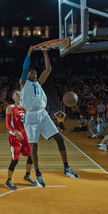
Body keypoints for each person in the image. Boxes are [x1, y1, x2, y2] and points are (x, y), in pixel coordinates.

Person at [19, 46, 79, 188]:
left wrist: (45, 52)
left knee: (60, 138)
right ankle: (38, 174)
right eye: (31, 72)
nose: (33, 74)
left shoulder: (39, 83)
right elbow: (25, 67)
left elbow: (48, 69)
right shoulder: (23, 83)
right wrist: (29, 52)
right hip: (31, 117)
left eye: (34, 72)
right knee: (34, 146)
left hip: (43, 114)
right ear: (27, 75)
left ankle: (66, 168)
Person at [4, 90, 38, 190]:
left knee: (31, 156)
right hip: (15, 137)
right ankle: (8, 180)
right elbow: (7, 124)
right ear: (13, 97)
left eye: (19, 93)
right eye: (16, 94)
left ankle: (27, 175)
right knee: (15, 160)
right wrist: (15, 132)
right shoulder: (10, 108)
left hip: (25, 135)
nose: (18, 94)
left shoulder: (26, 108)